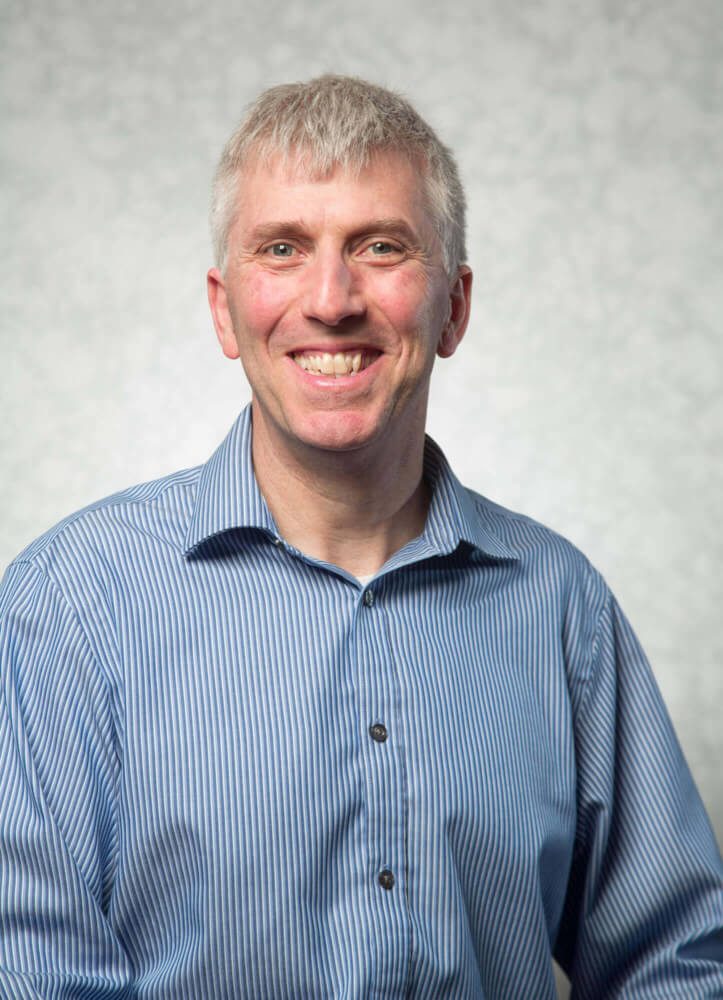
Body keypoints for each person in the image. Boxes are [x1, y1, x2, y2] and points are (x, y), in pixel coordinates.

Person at [0, 75, 721, 1000]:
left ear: (453, 307)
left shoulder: (558, 604)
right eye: (282, 249)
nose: (331, 299)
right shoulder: (68, 605)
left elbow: (674, 964)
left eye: (380, 247)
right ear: (224, 309)